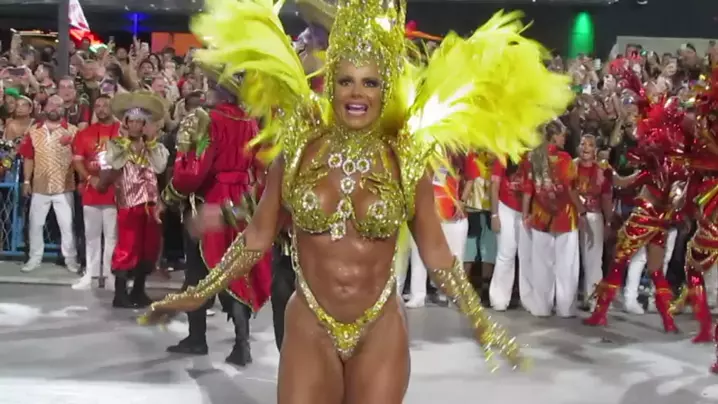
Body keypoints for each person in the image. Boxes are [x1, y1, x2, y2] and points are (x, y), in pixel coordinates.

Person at [140, 0, 573, 401]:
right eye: (346, 81)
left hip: (379, 327)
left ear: (385, 89)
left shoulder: (405, 160)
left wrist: (480, 320)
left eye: (370, 82)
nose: (356, 93)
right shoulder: (298, 152)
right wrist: (199, 293)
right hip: (310, 321)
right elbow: (257, 237)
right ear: (331, 85)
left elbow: (437, 254)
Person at [160, 69, 272, 366]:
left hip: (210, 202)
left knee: (197, 274)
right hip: (241, 204)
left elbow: (193, 170)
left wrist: (170, 196)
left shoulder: (206, 119)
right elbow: (258, 165)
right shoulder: (249, 122)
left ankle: (197, 339)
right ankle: (242, 343)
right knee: (236, 272)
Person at [583, 94, 690, 333]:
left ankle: (600, 314)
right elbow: (676, 199)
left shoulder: (651, 171)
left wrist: (607, 170)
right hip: (661, 223)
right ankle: (668, 321)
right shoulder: (675, 172)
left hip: (643, 219)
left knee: (618, 263)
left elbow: (622, 183)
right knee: (656, 271)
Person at [96, 91, 169, 308]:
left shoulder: (154, 147)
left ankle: (138, 290)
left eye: (141, 121)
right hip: (129, 203)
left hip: (151, 204)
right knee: (127, 247)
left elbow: (160, 167)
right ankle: (120, 294)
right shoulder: (116, 145)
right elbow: (114, 163)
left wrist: (150, 142)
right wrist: (127, 142)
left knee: (148, 248)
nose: (136, 125)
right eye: (132, 121)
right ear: (126, 123)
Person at [71, 95, 121, 290]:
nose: (101, 109)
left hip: (115, 190)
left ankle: (110, 276)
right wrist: (90, 178)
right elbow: (77, 160)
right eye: (97, 105)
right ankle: (90, 275)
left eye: (105, 105)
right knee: (91, 235)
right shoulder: (85, 133)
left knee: (112, 236)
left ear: (113, 108)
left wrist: (108, 179)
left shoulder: (122, 132)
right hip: (91, 190)